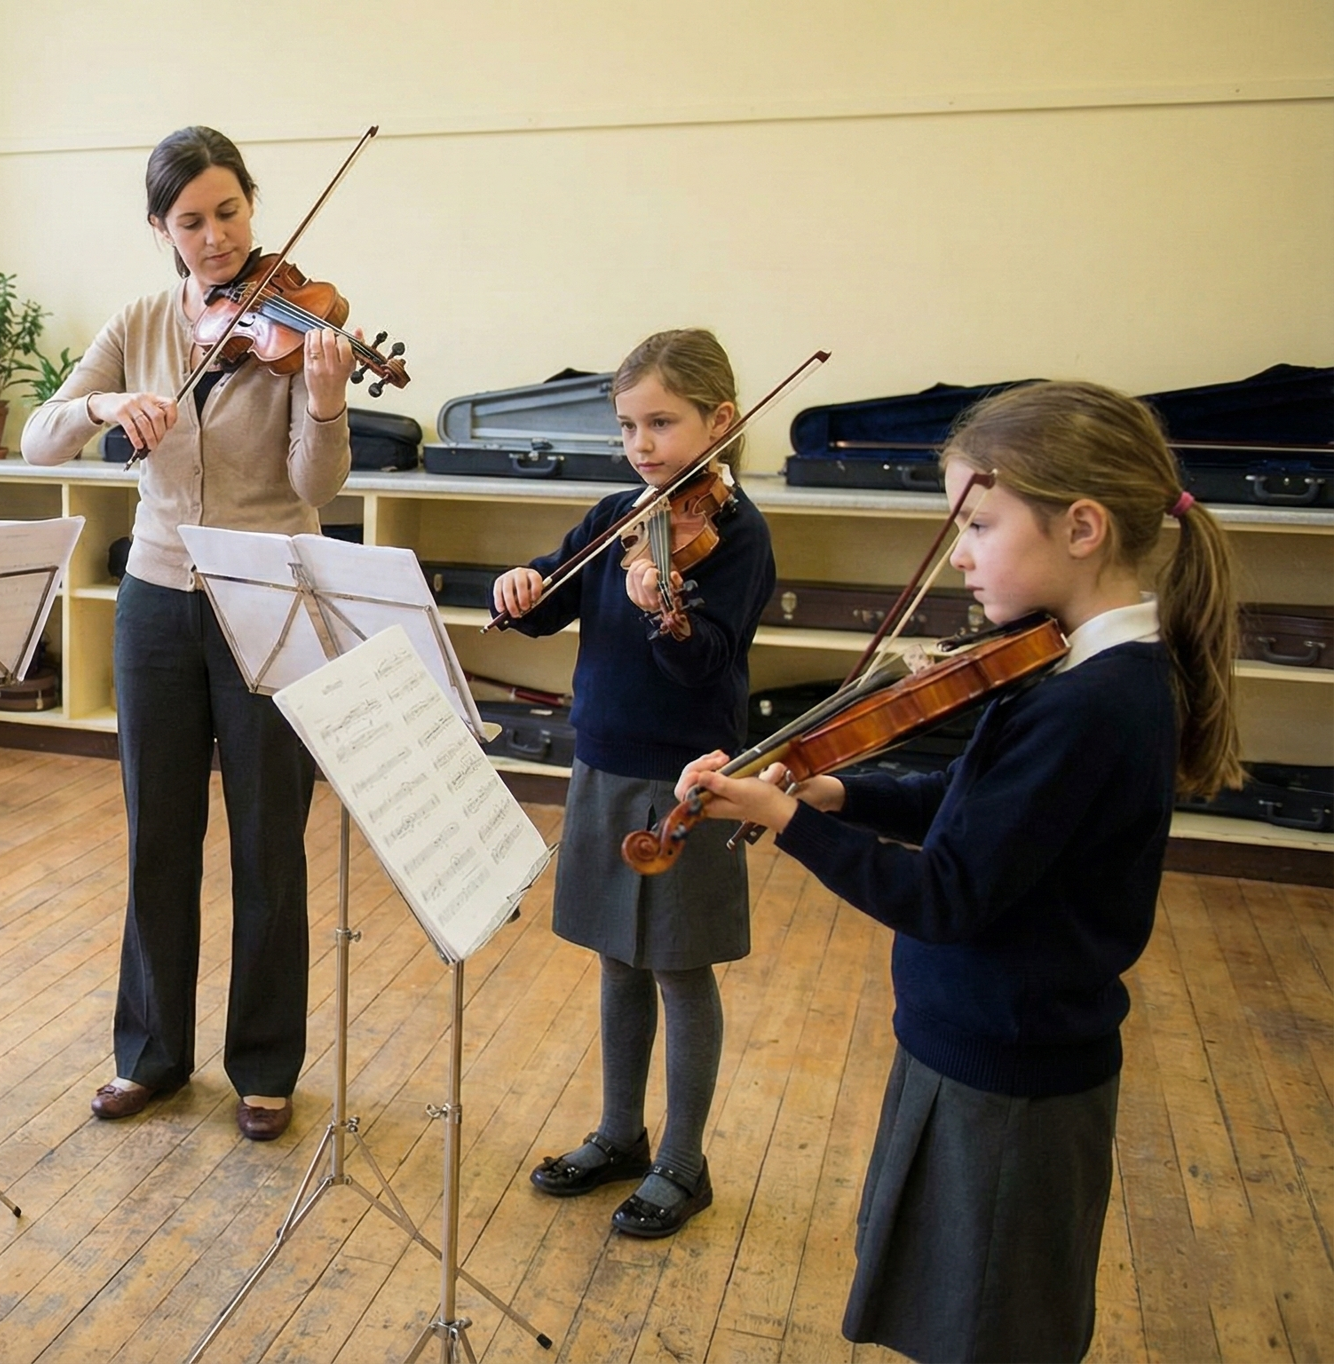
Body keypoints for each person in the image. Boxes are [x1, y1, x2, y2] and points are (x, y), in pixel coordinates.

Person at [677, 380, 1241, 1361]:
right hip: (981, 1046)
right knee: (959, 1317)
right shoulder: (1070, 673)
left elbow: (945, 893)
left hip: (1009, 1076)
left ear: (1081, 526)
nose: (963, 555)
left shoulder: (1094, 703)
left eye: (978, 523)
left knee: (989, 1327)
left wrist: (784, 821)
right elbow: (975, 806)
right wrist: (837, 796)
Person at [20, 125, 354, 1143]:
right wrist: (110, 401)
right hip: (158, 595)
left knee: (268, 840)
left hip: (267, 592)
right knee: (157, 833)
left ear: (252, 207)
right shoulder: (138, 321)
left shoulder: (299, 320)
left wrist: (327, 400)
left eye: (229, 213)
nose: (214, 238)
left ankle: (263, 1063)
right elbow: (40, 441)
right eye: (191, 221)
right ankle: (151, 1054)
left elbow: (314, 487)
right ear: (161, 228)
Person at [490, 328, 776, 1236]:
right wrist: (524, 585)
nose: (642, 446)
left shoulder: (735, 537)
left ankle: (684, 1164)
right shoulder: (619, 510)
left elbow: (708, 666)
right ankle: (620, 1132)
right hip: (605, 759)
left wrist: (668, 612)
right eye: (628, 426)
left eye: (662, 423)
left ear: (719, 421)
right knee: (617, 955)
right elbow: (555, 595)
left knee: (680, 968)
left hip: (690, 775)